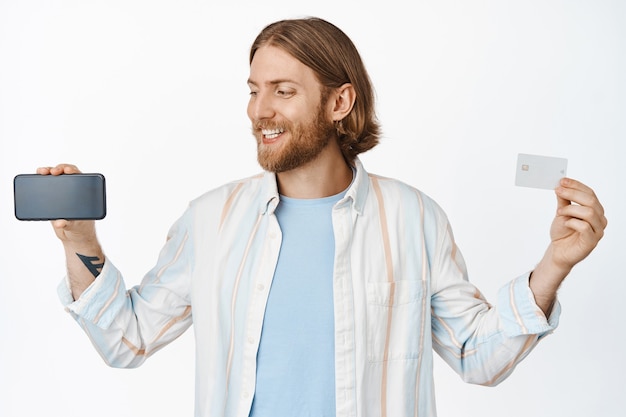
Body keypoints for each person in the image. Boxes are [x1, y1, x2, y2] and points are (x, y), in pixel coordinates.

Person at [39, 17, 606, 417]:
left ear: (339, 103)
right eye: (255, 90)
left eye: (283, 91)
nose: (261, 110)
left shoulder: (414, 218)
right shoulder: (209, 220)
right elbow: (127, 339)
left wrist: (554, 264)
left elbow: (477, 356)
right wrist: (79, 242)